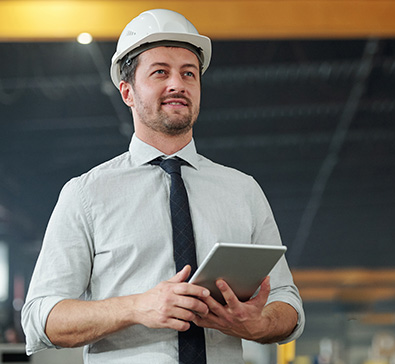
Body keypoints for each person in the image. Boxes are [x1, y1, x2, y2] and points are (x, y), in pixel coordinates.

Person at [21, 9, 304, 363]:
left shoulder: (242, 191)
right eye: (160, 72)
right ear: (127, 92)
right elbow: (40, 318)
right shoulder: (86, 195)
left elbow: (288, 303)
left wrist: (258, 324)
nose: (178, 84)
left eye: (189, 73)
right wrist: (136, 307)